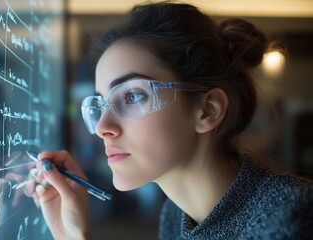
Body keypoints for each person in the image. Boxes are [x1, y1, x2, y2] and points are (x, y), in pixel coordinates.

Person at [26, 1, 313, 239]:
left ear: (208, 110)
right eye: (100, 104)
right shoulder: (176, 216)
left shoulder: (290, 217)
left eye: (132, 96)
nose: (102, 128)